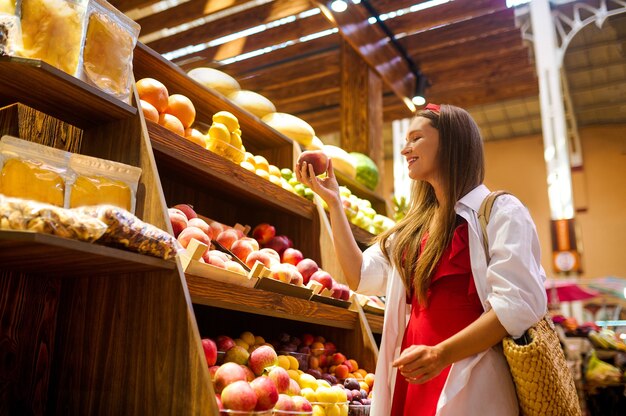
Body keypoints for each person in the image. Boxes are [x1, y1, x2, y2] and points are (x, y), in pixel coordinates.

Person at [296, 103, 548, 415]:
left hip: (471, 379)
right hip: (414, 378)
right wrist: (333, 202)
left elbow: (517, 306)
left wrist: (442, 354)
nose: (405, 150)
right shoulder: (412, 229)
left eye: (416, 138)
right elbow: (359, 276)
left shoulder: (501, 212)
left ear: (451, 142)